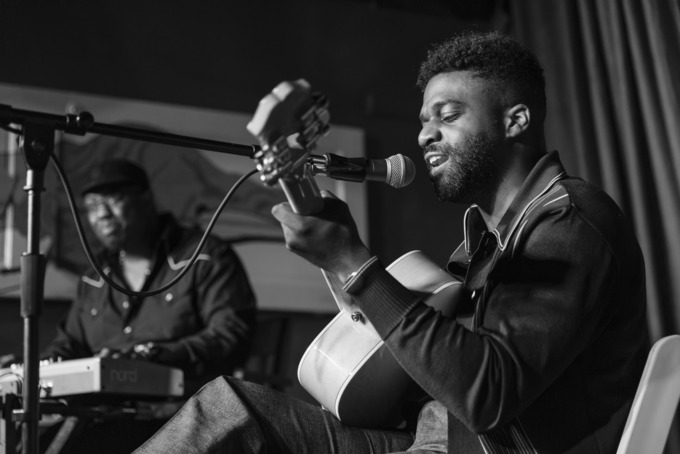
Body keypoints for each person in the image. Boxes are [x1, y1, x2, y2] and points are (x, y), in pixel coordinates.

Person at [134, 31, 649, 454]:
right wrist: (341, 263)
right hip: (428, 437)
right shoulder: (482, 243)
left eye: (447, 116)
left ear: (516, 120)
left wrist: (356, 264)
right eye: (424, 121)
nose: (425, 135)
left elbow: (486, 394)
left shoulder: (571, 224)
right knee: (229, 408)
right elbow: (423, 376)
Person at [38, 158, 257, 452]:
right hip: (101, 420)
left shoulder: (206, 257)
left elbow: (231, 334)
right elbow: (70, 342)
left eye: (113, 200)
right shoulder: (93, 279)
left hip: (185, 417)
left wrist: (151, 357)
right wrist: (42, 367)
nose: (101, 214)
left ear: (146, 200)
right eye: (91, 206)